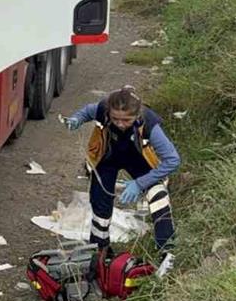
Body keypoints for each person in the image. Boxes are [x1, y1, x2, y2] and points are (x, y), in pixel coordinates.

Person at [66, 86, 180, 262]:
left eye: (126, 120)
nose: (120, 124)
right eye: (115, 119)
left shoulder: (149, 122)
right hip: (108, 157)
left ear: (137, 115)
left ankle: (167, 251)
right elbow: (88, 111)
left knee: (158, 195)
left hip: (138, 159)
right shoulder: (103, 109)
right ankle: (100, 251)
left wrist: (140, 183)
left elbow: (172, 160)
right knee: (100, 202)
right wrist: (76, 119)